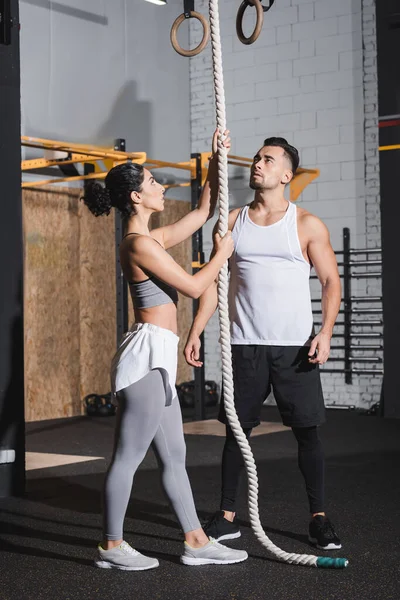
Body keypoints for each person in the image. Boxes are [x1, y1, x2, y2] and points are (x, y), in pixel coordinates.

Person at [82, 130, 248, 571]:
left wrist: (217, 158)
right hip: (146, 357)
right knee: (128, 457)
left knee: (175, 455)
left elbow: (203, 210)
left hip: (160, 354)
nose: (161, 187)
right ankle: (111, 548)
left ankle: (195, 541)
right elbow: (196, 286)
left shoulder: (153, 239)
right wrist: (220, 254)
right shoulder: (138, 245)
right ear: (137, 196)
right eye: (154, 182)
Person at [184, 137, 343, 551]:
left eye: (267, 160)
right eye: (256, 158)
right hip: (244, 346)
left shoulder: (306, 224)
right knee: (238, 433)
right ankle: (227, 516)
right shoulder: (233, 221)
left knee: (308, 434)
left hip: (295, 348)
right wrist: (197, 329)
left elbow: (330, 282)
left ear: (286, 174)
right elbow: (215, 282)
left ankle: (319, 518)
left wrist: (325, 332)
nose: (257, 163)